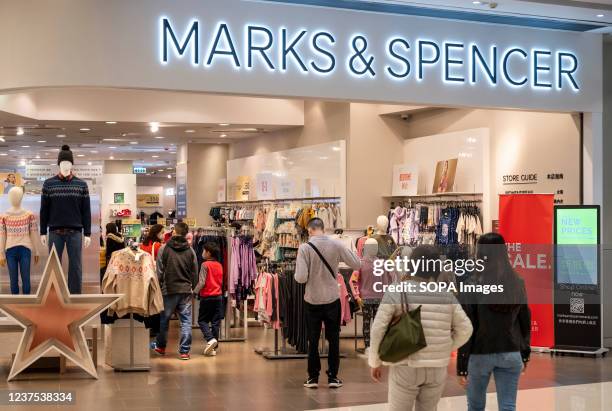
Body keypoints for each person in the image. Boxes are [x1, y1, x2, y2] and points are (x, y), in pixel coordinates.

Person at [368, 245, 473, 411]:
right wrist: (446, 347)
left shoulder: (396, 291)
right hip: (437, 368)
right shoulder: (446, 295)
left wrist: (375, 361)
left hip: (405, 364)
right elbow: (466, 328)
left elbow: (378, 328)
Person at [457, 232, 531, 411]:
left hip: (479, 353)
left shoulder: (471, 284)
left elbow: (466, 327)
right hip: (511, 351)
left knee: (475, 407)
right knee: (508, 406)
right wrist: (525, 352)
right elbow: (524, 320)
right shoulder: (517, 283)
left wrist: (462, 365)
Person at [295, 217, 361, 389]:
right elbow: (357, 263)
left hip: (313, 300)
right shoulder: (336, 245)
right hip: (333, 299)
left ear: (309, 230)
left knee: (313, 340)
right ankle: (333, 377)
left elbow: (300, 278)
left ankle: (313, 378)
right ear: (323, 229)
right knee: (334, 339)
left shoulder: (304, 248)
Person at [150, 222, 198, 360]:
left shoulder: (164, 249)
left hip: (168, 290)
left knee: (164, 320)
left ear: (174, 233)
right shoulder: (191, 251)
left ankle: (161, 346)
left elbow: (159, 272)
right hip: (185, 290)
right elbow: (194, 272)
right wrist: (193, 288)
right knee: (186, 321)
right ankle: (184, 351)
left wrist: (157, 288)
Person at [194, 242, 224, 357]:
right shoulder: (219, 265)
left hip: (207, 297)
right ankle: (213, 348)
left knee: (202, 320)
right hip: (218, 297)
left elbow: (201, 282)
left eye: (203, 251)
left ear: (208, 253)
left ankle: (210, 339)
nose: (202, 253)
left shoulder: (205, 265)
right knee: (216, 322)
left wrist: (194, 291)